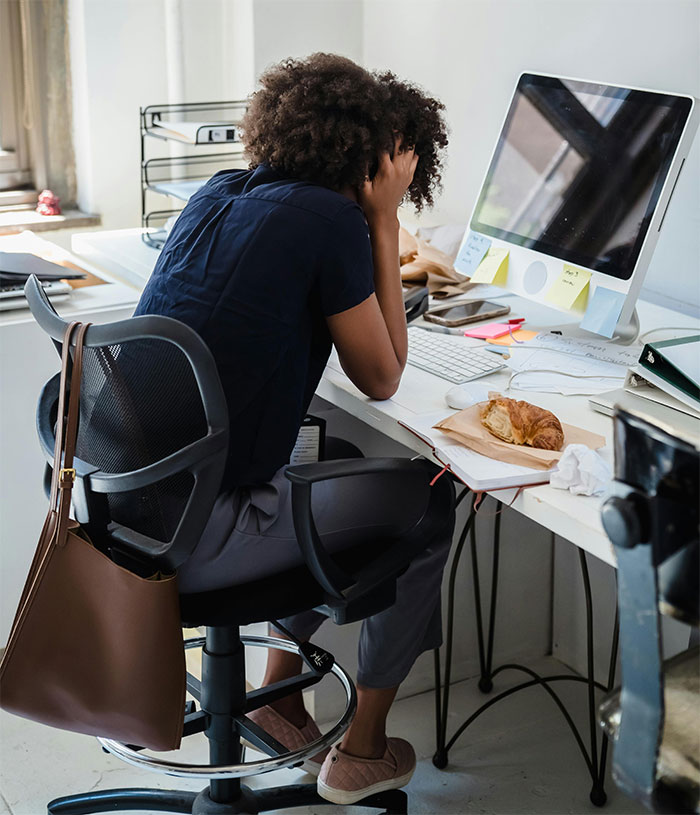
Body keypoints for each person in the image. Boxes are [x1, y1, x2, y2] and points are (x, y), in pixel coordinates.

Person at [135, 52, 453, 804]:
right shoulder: (333, 220)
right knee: (430, 499)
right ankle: (363, 750)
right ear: (374, 157)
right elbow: (383, 375)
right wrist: (381, 219)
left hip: (135, 515)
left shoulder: (222, 193)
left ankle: (277, 690)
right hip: (202, 535)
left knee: (336, 454)